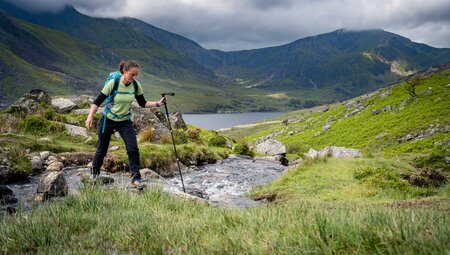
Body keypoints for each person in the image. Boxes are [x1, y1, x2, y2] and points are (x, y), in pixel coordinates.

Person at [85, 60, 165, 189]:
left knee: (133, 148)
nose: (134, 78)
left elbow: (142, 103)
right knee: (102, 149)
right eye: (132, 74)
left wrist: (157, 104)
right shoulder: (113, 83)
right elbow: (97, 102)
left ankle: (136, 178)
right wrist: (90, 117)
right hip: (108, 119)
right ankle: (94, 174)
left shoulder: (136, 85)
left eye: (136, 75)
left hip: (124, 121)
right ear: (124, 71)